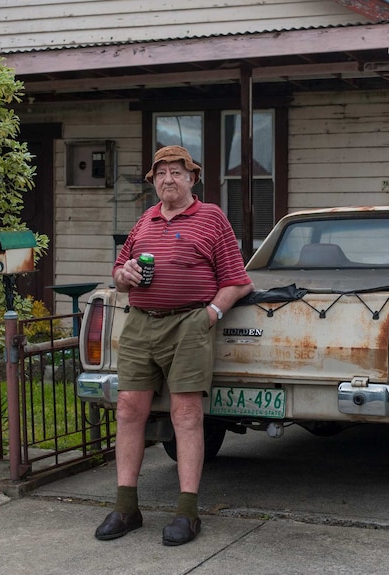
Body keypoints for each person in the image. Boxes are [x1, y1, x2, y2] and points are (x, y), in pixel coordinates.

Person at [95, 145, 254, 546]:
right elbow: (119, 271)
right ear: (153, 181)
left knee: (186, 415)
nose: (168, 178)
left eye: (177, 172)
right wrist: (123, 274)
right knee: (129, 409)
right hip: (140, 324)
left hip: (189, 323)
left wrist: (210, 316)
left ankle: (187, 513)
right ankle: (126, 507)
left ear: (192, 179)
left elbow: (238, 280)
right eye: (161, 172)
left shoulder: (211, 218)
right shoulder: (144, 220)